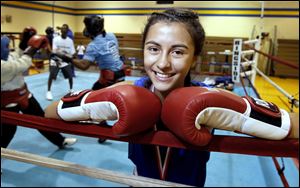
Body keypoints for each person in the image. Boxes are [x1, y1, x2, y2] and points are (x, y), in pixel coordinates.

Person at [44, 8, 299, 186]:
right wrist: (98, 104)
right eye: (153, 49)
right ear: (144, 50)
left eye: (177, 52)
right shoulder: (129, 94)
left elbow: (294, 126)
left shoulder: (208, 98)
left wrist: (233, 110)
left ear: (195, 58)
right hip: (137, 183)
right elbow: (50, 113)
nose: (163, 63)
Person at [1, 29, 77, 151]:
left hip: (24, 94)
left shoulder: (8, 56)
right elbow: (21, 64)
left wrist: (24, 42)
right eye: (6, 46)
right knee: (8, 131)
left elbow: (17, 55)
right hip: (8, 101)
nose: (8, 48)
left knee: (40, 119)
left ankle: (60, 141)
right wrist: (33, 48)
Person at [70, 15, 125, 143]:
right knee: (104, 97)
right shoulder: (111, 35)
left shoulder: (93, 45)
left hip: (109, 78)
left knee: (93, 100)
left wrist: (68, 59)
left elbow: (84, 66)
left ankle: (104, 131)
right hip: (121, 73)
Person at [46, 24, 76, 101]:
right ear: (61, 30)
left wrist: (70, 57)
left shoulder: (70, 41)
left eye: (65, 28)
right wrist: (64, 55)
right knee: (51, 75)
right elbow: (55, 51)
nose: (64, 30)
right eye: (62, 28)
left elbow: (72, 52)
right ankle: (48, 91)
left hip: (65, 60)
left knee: (70, 76)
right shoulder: (56, 39)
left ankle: (71, 89)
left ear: (67, 30)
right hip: (56, 59)